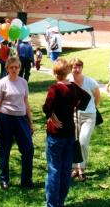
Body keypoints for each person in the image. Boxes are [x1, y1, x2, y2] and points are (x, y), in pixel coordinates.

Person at [43, 58, 90, 207]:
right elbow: (87, 98)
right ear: (68, 71)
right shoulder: (74, 88)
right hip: (70, 133)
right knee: (64, 170)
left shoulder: (55, 88)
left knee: (54, 170)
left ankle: (52, 204)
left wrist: (52, 117)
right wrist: (76, 106)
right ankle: (60, 202)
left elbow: (46, 108)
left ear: (54, 73)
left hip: (56, 135)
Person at [0, 57, 34, 190]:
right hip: (5, 119)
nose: (14, 69)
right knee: (5, 149)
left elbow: (26, 103)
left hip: (21, 119)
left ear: (20, 67)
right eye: (11, 67)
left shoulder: (23, 82)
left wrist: (30, 122)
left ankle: (26, 180)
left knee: (28, 149)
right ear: (7, 68)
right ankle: (4, 180)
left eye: (16, 67)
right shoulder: (2, 83)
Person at [68, 58, 101, 182]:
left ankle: (82, 168)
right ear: (70, 68)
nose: (76, 69)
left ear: (82, 67)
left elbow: (97, 98)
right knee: (74, 141)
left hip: (89, 116)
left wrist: (91, 108)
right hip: (74, 116)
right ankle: (74, 168)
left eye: (78, 66)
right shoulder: (69, 81)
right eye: (73, 67)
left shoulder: (90, 82)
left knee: (83, 141)